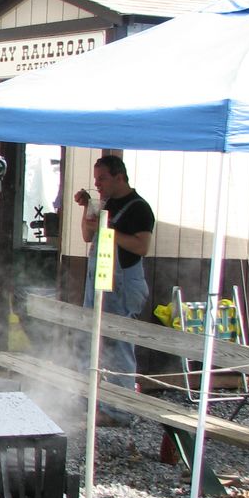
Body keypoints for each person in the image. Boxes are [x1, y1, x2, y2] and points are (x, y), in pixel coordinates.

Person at [75, 154, 154, 425]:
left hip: (122, 285)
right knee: (90, 341)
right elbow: (87, 236)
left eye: (102, 178)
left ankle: (118, 411)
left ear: (119, 177)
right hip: (98, 282)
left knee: (118, 346)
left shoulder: (139, 208)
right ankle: (91, 402)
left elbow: (142, 247)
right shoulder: (106, 203)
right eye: (96, 179)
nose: (97, 184)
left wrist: (107, 230)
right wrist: (88, 209)